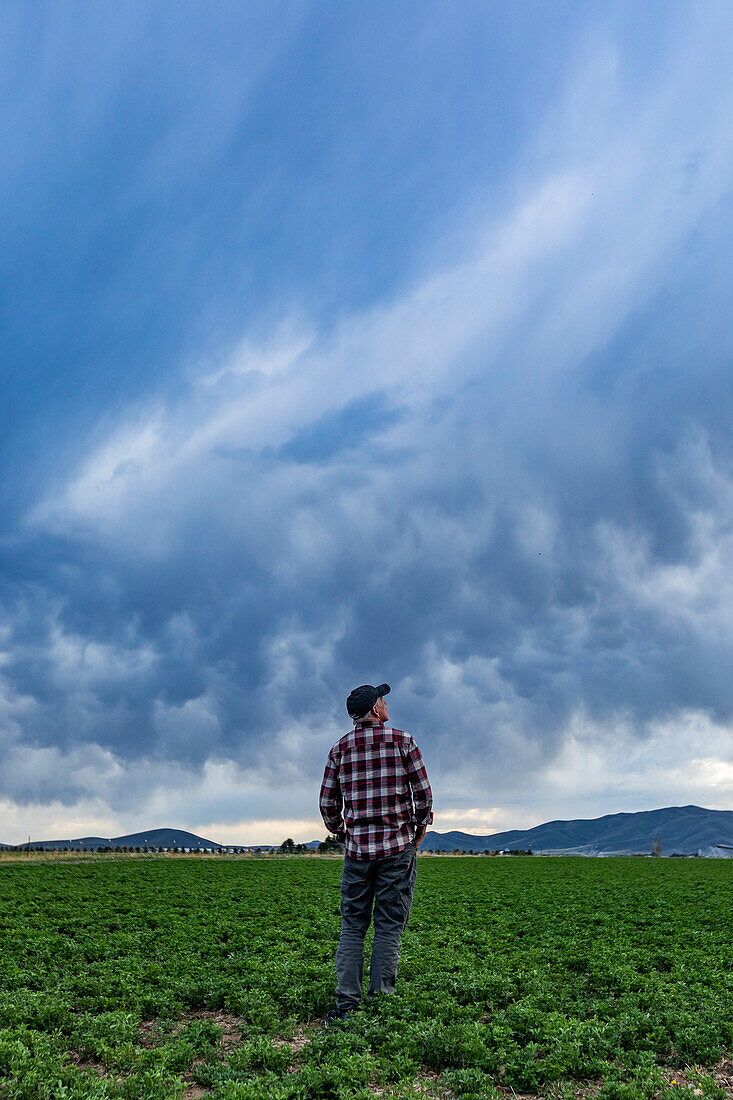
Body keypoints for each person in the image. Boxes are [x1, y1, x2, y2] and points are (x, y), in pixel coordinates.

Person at [319, 682, 433, 1023]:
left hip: (357, 853)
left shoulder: (339, 749)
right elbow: (423, 794)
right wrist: (419, 827)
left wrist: (343, 831)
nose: (385, 704)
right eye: (382, 700)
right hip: (397, 849)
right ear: (374, 710)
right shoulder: (403, 741)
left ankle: (347, 1006)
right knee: (388, 927)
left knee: (353, 926)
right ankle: (381, 1004)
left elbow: (327, 804)